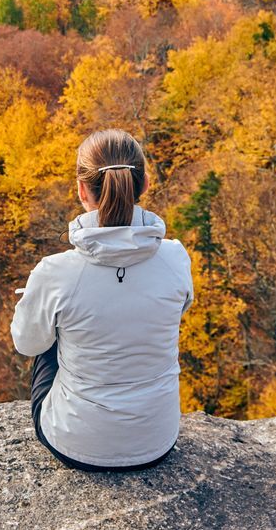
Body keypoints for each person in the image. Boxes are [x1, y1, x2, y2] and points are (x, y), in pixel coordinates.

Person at [10, 128, 193, 471]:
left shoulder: (56, 272)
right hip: (157, 440)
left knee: (49, 333)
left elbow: (27, 343)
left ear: (81, 190)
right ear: (145, 185)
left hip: (76, 443)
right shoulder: (176, 259)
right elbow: (180, 307)